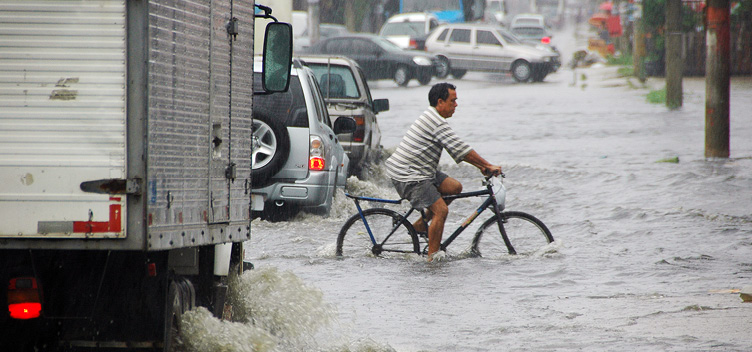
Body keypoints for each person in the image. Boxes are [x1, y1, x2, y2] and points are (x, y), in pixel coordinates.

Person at [385, 82, 502, 262]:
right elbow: (460, 149)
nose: (456, 105)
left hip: (421, 170)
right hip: (409, 175)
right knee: (441, 211)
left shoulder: (434, 118)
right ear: (440, 102)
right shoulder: (436, 122)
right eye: (453, 101)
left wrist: (483, 166)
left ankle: (420, 225)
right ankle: (432, 260)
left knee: (454, 187)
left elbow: (459, 149)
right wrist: (486, 166)